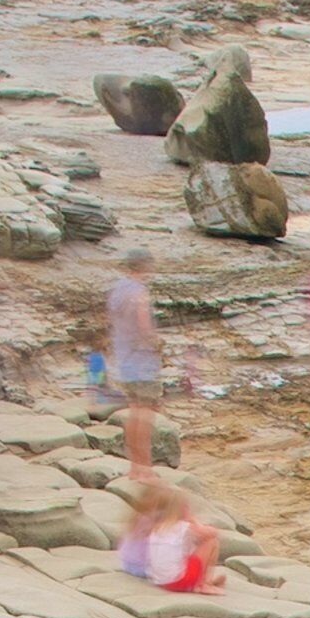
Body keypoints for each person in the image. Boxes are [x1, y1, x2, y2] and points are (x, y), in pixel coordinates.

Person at [104, 246, 162, 489]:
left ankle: (133, 467)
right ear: (145, 266)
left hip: (123, 356)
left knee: (133, 410)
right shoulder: (140, 293)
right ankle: (145, 469)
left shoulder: (117, 290)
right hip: (142, 358)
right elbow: (144, 326)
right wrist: (157, 343)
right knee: (145, 414)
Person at [116, 471, 224, 592]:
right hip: (147, 569)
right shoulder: (179, 526)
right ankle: (202, 583)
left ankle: (204, 581)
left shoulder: (153, 523)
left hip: (147, 572)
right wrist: (193, 521)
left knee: (184, 546)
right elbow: (211, 533)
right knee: (210, 542)